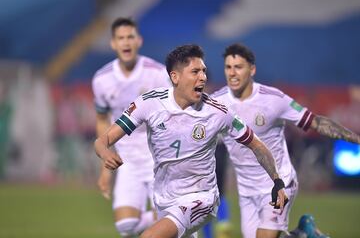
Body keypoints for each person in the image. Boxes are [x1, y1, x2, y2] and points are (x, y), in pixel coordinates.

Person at [94, 44, 288, 238]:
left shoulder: (219, 112)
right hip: (164, 199)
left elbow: (256, 144)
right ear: (175, 77)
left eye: (203, 71)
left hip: (201, 199)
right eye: (195, 71)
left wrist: (277, 181)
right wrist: (105, 153)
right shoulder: (149, 103)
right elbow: (103, 140)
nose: (202, 77)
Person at [212, 43, 360, 238]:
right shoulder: (216, 102)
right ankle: (304, 233)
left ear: (252, 69)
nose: (232, 73)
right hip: (247, 189)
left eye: (238, 67)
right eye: (228, 67)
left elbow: (315, 122)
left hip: (278, 182)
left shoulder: (274, 99)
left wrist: (356, 138)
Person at [92, 17, 170, 237]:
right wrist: (105, 167)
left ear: (139, 41)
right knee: (125, 227)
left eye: (130, 37)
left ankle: (172, 217)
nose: (126, 42)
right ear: (113, 44)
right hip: (127, 161)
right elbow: (101, 119)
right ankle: (162, 217)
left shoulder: (157, 73)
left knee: (170, 226)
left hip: (158, 157)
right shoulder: (102, 79)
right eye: (120, 38)